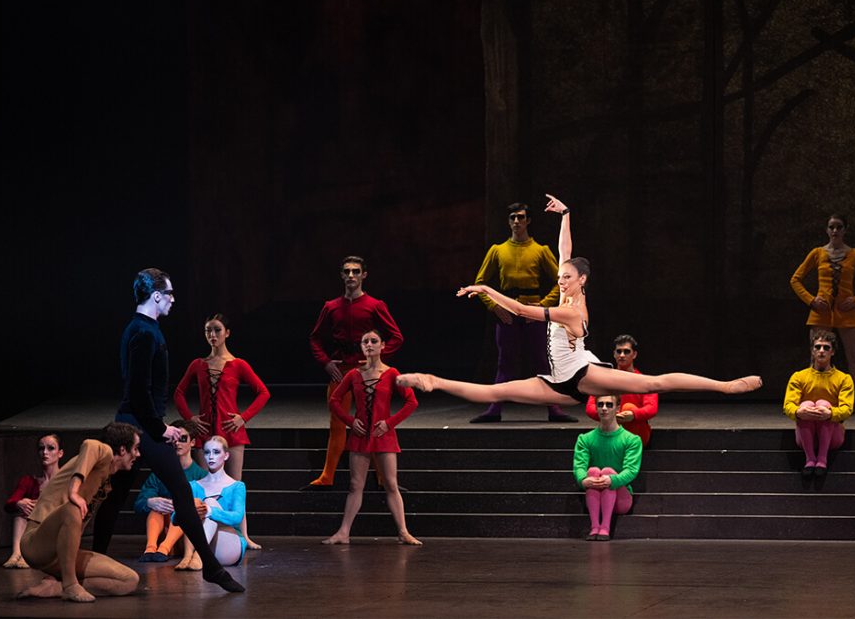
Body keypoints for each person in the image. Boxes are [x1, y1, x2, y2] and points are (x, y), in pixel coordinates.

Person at [397, 195, 763, 403]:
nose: (560, 279)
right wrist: (567, 215)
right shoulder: (569, 290)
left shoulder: (572, 312)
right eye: (560, 277)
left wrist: (487, 289)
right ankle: (433, 380)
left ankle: (723, 385)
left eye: (566, 278)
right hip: (559, 381)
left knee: (654, 383)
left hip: (584, 374)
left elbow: (524, 310)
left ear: (581, 281)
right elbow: (565, 252)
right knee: (496, 392)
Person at [91, 267, 244, 593]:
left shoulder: (141, 329)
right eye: (170, 294)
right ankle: (212, 569)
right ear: (156, 296)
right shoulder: (144, 333)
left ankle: (93, 562)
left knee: (115, 499)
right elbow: (137, 390)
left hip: (137, 424)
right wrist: (160, 429)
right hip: (139, 427)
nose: (174, 299)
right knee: (177, 495)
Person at [470, 202, 577, 423]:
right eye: (512, 217)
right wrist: (495, 306)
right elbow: (480, 283)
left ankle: (554, 408)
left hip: (533, 315)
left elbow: (561, 280)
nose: (516, 221)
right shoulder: (497, 250)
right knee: (504, 363)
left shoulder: (540, 250)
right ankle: (495, 408)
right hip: (507, 312)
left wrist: (543, 306)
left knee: (542, 361)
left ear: (528, 220)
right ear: (508, 221)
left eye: (520, 217)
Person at [307, 256, 404, 488]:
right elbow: (315, 339)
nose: (351, 275)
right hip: (341, 370)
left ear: (364, 275)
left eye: (356, 271)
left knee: (372, 421)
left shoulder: (374, 305)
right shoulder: (331, 307)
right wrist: (326, 362)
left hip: (366, 371)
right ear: (342, 275)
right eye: (347, 271)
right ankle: (327, 475)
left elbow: (396, 337)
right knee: (337, 422)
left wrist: (375, 359)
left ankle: (382, 478)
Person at [174, 313, 270, 549]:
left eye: (217, 330)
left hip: (230, 432)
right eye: (208, 330)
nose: (212, 335)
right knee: (204, 485)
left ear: (227, 333)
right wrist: (191, 420)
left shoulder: (238, 364)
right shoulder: (198, 364)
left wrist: (243, 418)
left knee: (236, 485)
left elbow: (263, 393)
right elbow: (178, 393)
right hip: (206, 432)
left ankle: (243, 537)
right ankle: (200, 538)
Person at [16, 422, 141, 603]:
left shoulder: (104, 481)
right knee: (73, 509)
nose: (138, 454)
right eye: (135, 449)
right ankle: (70, 586)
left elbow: (77, 525)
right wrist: (73, 490)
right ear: (122, 450)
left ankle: (56, 587)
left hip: (59, 552)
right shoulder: (104, 452)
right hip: (36, 543)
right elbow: (90, 444)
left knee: (129, 580)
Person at [322, 330, 422, 546]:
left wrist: (389, 423)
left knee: (391, 484)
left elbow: (411, 402)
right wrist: (350, 421)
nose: (368, 344)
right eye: (365, 341)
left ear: (382, 345)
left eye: (373, 341)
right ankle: (343, 532)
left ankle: (403, 531)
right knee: (355, 485)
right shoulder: (354, 375)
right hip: (360, 436)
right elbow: (334, 401)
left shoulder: (392, 373)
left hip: (383, 435)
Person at [790, 213, 855, 415]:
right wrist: (811, 300)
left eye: (839, 227)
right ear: (826, 229)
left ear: (845, 230)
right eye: (831, 227)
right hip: (821, 313)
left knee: (854, 358)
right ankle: (808, 404)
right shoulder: (817, 253)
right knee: (816, 358)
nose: (835, 231)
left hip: (847, 313)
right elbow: (795, 279)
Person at [783, 331, 854, 477]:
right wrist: (798, 412)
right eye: (818, 347)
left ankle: (822, 459)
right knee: (807, 404)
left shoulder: (844, 378)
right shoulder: (799, 376)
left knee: (823, 403)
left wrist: (830, 413)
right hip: (805, 437)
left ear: (832, 352)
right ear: (812, 350)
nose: (821, 351)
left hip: (832, 436)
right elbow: (788, 405)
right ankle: (810, 459)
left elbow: (847, 408)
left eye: (826, 348)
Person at [134, 419, 207, 562]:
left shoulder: (201, 476)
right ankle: (151, 548)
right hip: (165, 531)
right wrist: (150, 502)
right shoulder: (159, 474)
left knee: (187, 505)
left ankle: (164, 548)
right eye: (174, 439)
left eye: (183, 439)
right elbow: (139, 502)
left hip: (189, 537)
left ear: (192, 442)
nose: (177, 443)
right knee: (157, 506)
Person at [574, 395, 643, 540]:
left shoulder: (631, 440)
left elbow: (631, 470)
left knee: (607, 472)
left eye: (609, 405)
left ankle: (605, 527)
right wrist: (583, 480)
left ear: (618, 408)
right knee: (593, 471)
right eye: (600, 404)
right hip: (595, 497)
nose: (604, 408)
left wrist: (612, 480)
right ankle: (594, 527)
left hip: (620, 500)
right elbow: (579, 465)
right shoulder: (585, 439)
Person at [176, 436, 248, 570]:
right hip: (196, 542)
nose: (211, 457)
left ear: (226, 455)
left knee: (209, 503)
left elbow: (237, 517)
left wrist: (210, 511)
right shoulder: (194, 486)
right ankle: (188, 556)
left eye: (216, 452)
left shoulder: (237, 486)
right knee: (195, 504)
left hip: (227, 544)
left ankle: (198, 555)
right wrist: (190, 511)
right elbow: (176, 518)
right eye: (207, 452)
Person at [3, 433, 64, 568]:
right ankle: (16, 554)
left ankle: (30, 557)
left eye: (50, 448)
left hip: (53, 527)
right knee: (20, 517)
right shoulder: (30, 481)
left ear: (60, 453)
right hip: (33, 529)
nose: (45, 452)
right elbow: (9, 504)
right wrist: (19, 503)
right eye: (41, 448)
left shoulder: (66, 480)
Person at [585, 335, 658, 445]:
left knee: (628, 407)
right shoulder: (604, 380)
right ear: (614, 354)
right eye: (619, 351)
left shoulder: (644, 380)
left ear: (634, 354)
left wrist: (633, 414)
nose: (622, 355)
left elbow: (652, 408)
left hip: (637, 434)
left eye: (626, 352)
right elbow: (590, 408)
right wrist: (610, 413)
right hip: (612, 430)